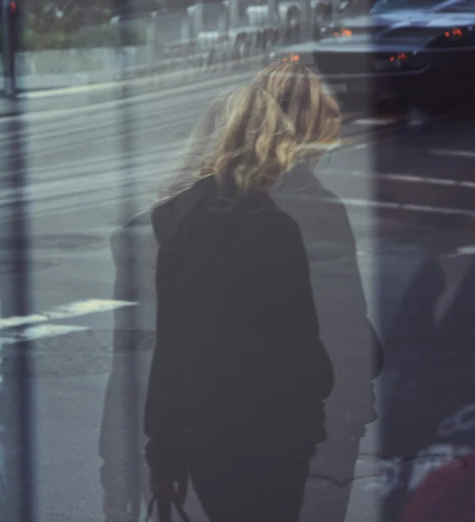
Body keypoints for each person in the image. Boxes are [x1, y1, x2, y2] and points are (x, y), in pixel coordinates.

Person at [144, 79, 336, 521]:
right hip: (270, 432)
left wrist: (164, 451)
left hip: (206, 435)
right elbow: (299, 341)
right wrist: (319, 393)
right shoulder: (274, 230)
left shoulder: (178, 225)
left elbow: (173, 346)